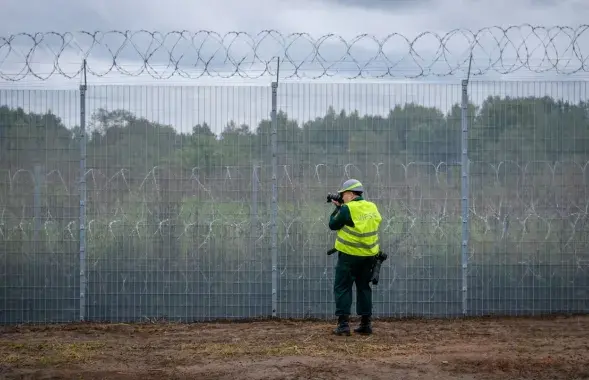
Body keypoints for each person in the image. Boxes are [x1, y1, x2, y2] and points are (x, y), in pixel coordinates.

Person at [328, 178, 382, 336]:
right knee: (364, 287)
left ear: (350, 194)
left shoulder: (347, 209)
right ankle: (366, 324)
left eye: (343, 194)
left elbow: (333, 224)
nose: (342, 197)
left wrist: (338, 209)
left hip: (349, 256)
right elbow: (376, 221)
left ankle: (343, 325)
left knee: (343, 287)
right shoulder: (372, 207)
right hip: (369, 255)